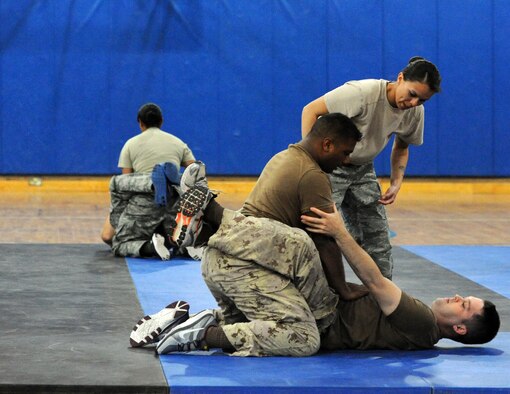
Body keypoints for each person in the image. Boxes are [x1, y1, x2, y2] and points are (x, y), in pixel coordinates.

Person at [128, 179, 500, 356]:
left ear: (461, 327)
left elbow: (373, 278)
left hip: (321, 315)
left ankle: (203, 328)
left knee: (305, 333)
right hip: (306, 299)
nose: (456, 296)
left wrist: (339, 233)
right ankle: (207, 231)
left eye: (463, 304)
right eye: (464, 296)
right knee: (299, 249)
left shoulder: (423, 323)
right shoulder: (420, 323)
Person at [301, 57, 442, 279]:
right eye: (413, 94)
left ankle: (382, 299)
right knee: (319, 234)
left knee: (378, 240)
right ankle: (315, 294)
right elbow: (310, 111)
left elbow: (402, 146)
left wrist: (396, 182)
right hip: (329, 168)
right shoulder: (361, 93)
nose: (414, 103)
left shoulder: (414, 113)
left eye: (422, 101)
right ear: (400, 78)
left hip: (363, 170)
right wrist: (312, 163)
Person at [240, 112, 366, 301]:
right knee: (308, 321)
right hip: (254, 262)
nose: (345, 161)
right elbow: (323, 240)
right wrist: (343, 289)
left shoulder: (283, 156)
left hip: (239, 248)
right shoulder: (312, 175)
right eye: (345, 153)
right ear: (327, 145)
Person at [100, 103, 195, 259]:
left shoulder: (130, 144)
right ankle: (184, 246)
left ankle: (151, 247)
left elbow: (127, 185)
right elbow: (194, 173)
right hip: (176, 206)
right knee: (173, 223)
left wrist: (114, 225)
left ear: (140, 122)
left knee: (117, 243)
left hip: (143, 205)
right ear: (161, 121)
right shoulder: (178, 143)